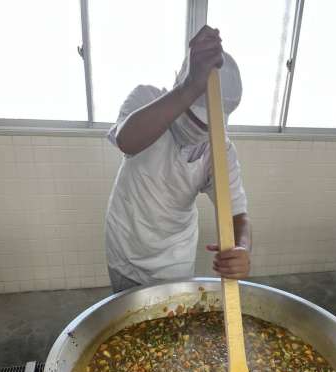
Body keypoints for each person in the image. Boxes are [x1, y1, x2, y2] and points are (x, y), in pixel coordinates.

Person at [105, 25, 251, 293]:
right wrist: (190, 88)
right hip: (126, 247)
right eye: (192, 117)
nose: (198, 129)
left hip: (175, 258)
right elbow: (127, 140)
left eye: (206, 125)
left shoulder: (220, 149)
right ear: (177, 85)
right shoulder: (146, 98)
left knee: (172, 315)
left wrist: (242, 248)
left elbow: (238, 213)